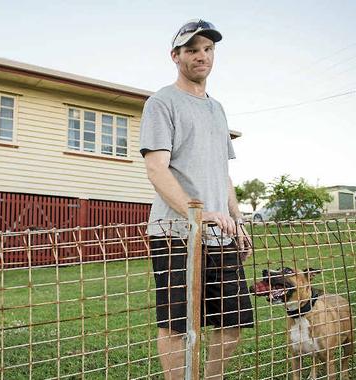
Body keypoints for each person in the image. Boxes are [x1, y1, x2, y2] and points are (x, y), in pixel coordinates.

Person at [139, 19, 254, 379]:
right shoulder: (162, 103)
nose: (201, 56)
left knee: (232, 322)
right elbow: (157, 169)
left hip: (222, 232)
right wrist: (198, 213)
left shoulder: (217, 110)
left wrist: (238, 221)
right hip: (175, 232)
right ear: (176, 56)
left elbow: (224, 174)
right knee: (178, 325)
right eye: (192, 49)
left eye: (208, 49)